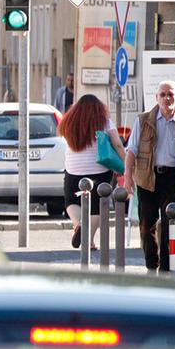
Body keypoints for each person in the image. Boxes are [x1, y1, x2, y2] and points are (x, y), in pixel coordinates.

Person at [122, 80, 175, 271]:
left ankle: (165, 269)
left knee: (170, 224)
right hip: (148, 177)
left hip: (173, 178)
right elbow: (131, 150)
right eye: (162, 94)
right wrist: (127, 176)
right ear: (157, 98)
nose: (166, 98)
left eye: (170, 94)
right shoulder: (143, 120)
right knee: (147, 225)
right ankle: (151, 265)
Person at [58, 94, 125, 249]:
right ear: (99, 108)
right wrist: (126, 164)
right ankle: (88, 240)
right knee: (96, 205)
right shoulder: (105, 122)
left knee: (71, 201)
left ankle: (79, 224)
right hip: (99, 170)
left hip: (73, 169)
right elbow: (117, 145)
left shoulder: (68, 122)